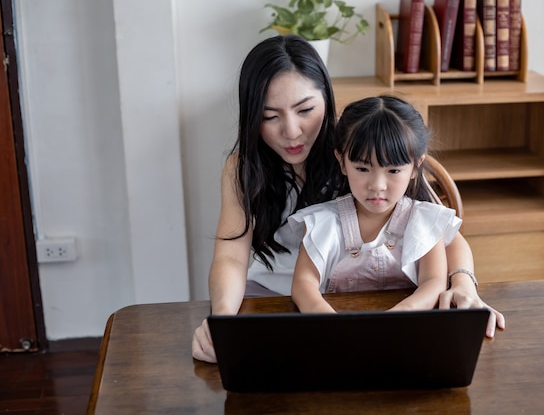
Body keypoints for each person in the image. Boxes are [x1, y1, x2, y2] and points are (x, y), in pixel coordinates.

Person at [191, 35, 504, 363]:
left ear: (327, 98)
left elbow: (442, 235)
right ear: (252, 116)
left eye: (305, 109)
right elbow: (231, 257)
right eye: (270, 117)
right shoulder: (242, 169)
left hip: (349, 303)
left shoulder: (361, 154)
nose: (292, 131)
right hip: (272, 301)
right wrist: (222, 320)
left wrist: (464, 284)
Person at [290, 95, 459, 312]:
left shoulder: (425, 221)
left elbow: (433, 283)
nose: (377, 185)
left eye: (393, 171)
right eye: (362, 169)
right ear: (342, 162)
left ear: (416, 166)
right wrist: (329, 321)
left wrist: (400, 314)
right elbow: (303, 284)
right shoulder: (322, 223)